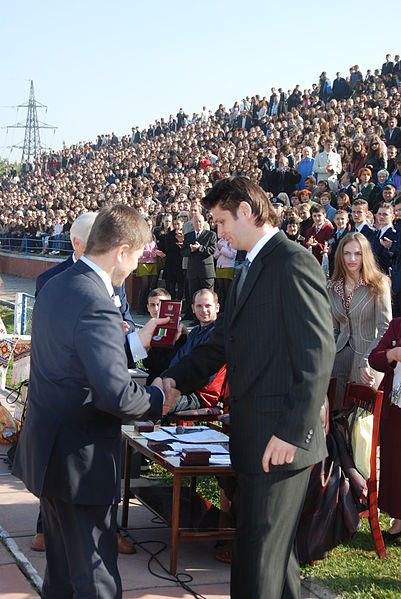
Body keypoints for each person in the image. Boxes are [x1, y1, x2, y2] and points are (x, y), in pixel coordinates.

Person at [162, 176, 335, 599]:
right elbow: (222, 340)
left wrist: (292, 432)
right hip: (254, 435)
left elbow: (317, 353)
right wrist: (174, 379)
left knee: (258, 555)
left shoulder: (292, 261)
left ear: (245, 210)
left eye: (221, 221)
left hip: (280, 440)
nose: (218, 231)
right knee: (273, 558)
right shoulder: (247, 265)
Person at [12, 205, 178, 599]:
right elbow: (115, 393)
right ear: (121, 251)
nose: (138, 266)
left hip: (51, 455)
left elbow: (79, 359)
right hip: (80, 461)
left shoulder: (57, 285)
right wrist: (158, 399)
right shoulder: (97, 300)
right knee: (94, 578)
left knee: (62, 574)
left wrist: (135, 343)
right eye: (138, 256)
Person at [32, 212, 137, 554]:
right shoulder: (53, 280)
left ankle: (109, 528)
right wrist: (156, 399)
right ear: (79, 242)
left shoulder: (114, 284)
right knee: (89, 571)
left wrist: (133, 337)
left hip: (94, 412)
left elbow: (123, 322)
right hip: (74, 415)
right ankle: (45, 530)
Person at [327, 232, 392, 410]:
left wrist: (368, 360)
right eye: (347, 253)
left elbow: (385, 328)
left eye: (358, 253)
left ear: (366, 255)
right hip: (338, 361)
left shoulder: (378, 284)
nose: (352, 259)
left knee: (362, 424)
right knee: (335, 417)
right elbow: (333, 329)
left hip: (367, 358)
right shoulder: (332, 286)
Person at [167, 288, 226, 413]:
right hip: (182, 387)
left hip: (201, 395)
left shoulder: (219, 336)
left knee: (155, 403)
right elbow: (179, 359)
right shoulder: (194, 332)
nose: (203, 310)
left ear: (217, 307)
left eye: (208, 306)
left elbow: (205, 375)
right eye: (199, 306)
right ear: (193, 308)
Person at [368, 319, 401, 544]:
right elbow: (374, 358)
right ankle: (399, 522)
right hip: (396, 409)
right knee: (395, 465)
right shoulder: (397, 325)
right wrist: (393, 354)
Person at [181, 212, 217, 313]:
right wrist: (191, 250)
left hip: (206, 271)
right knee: (194, 295)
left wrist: (199, 248)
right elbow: (183, 252)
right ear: (192, 223)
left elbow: (212, 250)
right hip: (193, 271)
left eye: (200, 221)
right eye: (196, 221)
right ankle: (196, 317)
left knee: (208, 296)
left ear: (204, 222)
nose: (198, 223)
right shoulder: (188, 236)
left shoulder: (211, 234)